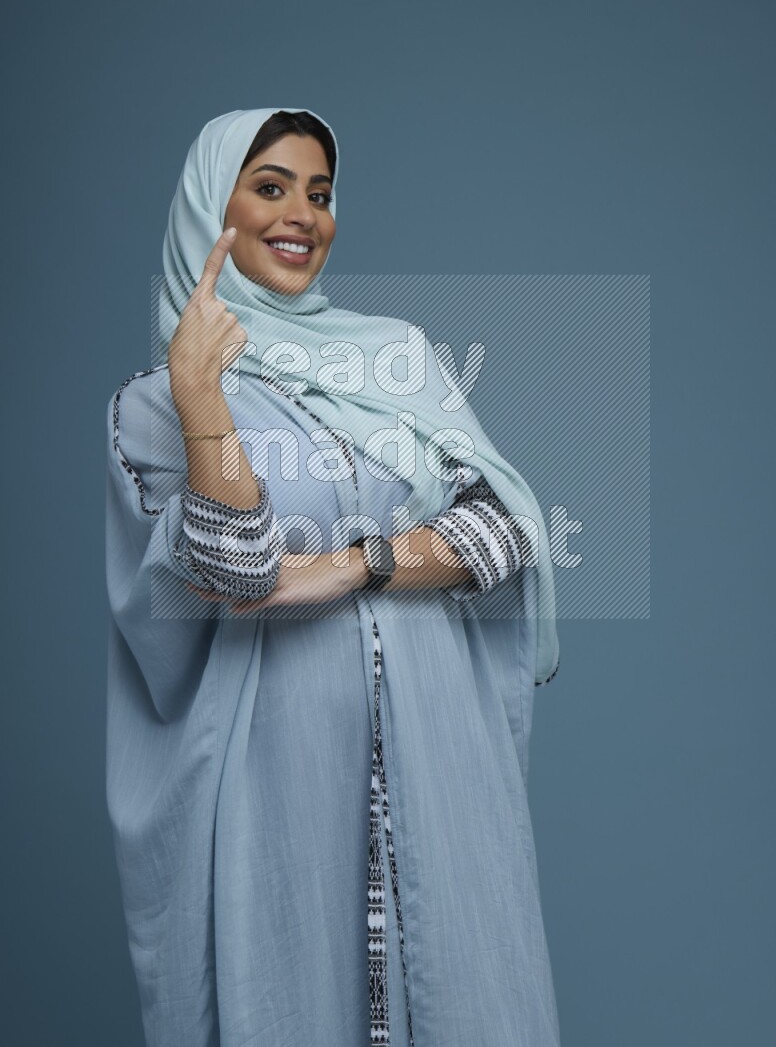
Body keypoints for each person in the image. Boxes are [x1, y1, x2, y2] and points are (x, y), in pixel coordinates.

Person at [105, 106, 561, 1047]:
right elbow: (236, 567)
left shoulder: (392, 355)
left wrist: (351, 567)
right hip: (283, 779)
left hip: (446, 758)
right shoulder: (155, 406)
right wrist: (201, 394)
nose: (303, 214)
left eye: (320, 193)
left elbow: (504, 529)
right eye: (269, 187)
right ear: (211, 207)